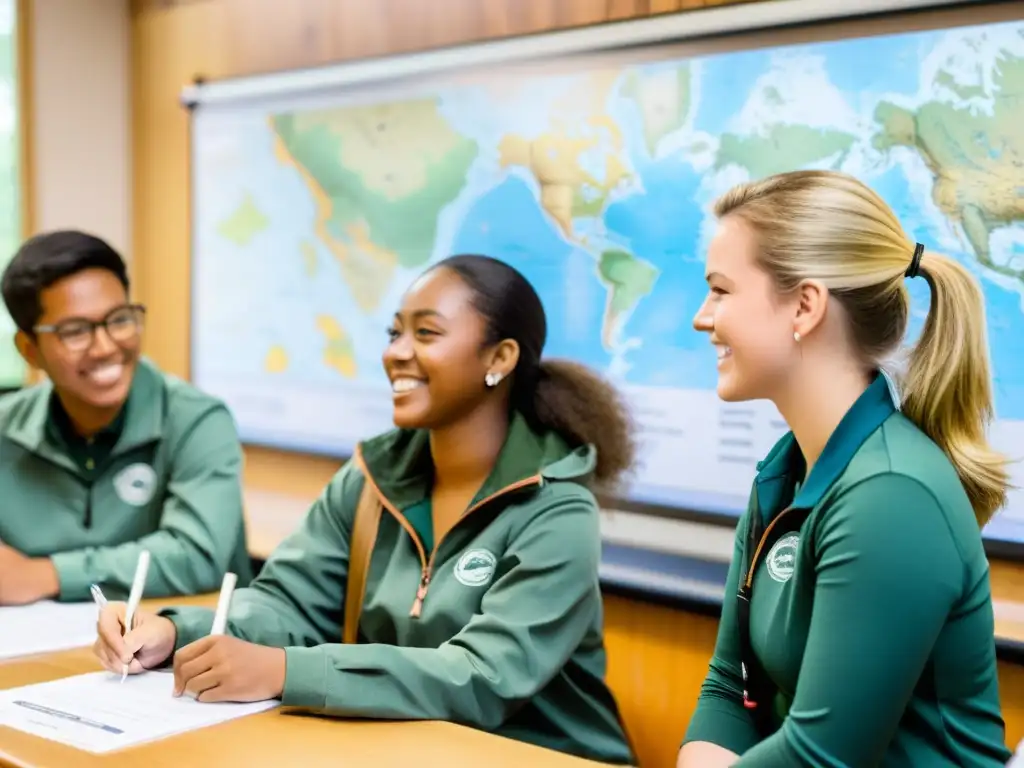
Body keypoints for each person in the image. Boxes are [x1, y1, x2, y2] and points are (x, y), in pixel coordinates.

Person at [93, 254, 638, 765]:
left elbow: (481, 676)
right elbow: (290, 603)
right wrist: (171, 632)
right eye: (394, 332)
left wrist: (286, 672)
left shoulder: (558, 509)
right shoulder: (372, 478)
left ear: (500, 358)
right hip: (407, 748)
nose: (397, 352)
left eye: (425, 333)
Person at [677, 170, 1013, 766]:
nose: (704, 317)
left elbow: (823, 756)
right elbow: (730, 686)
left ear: (804, 306)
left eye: (721, 291)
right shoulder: (783, 477)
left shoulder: (890, 492)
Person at [0, 230, 252, 605]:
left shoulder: (196, 420)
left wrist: (45, 575)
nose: (105, 347)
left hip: (176, 655)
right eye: (75, 331)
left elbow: (198, 556)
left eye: (119, 319)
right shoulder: (6, 428)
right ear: (29, 349)